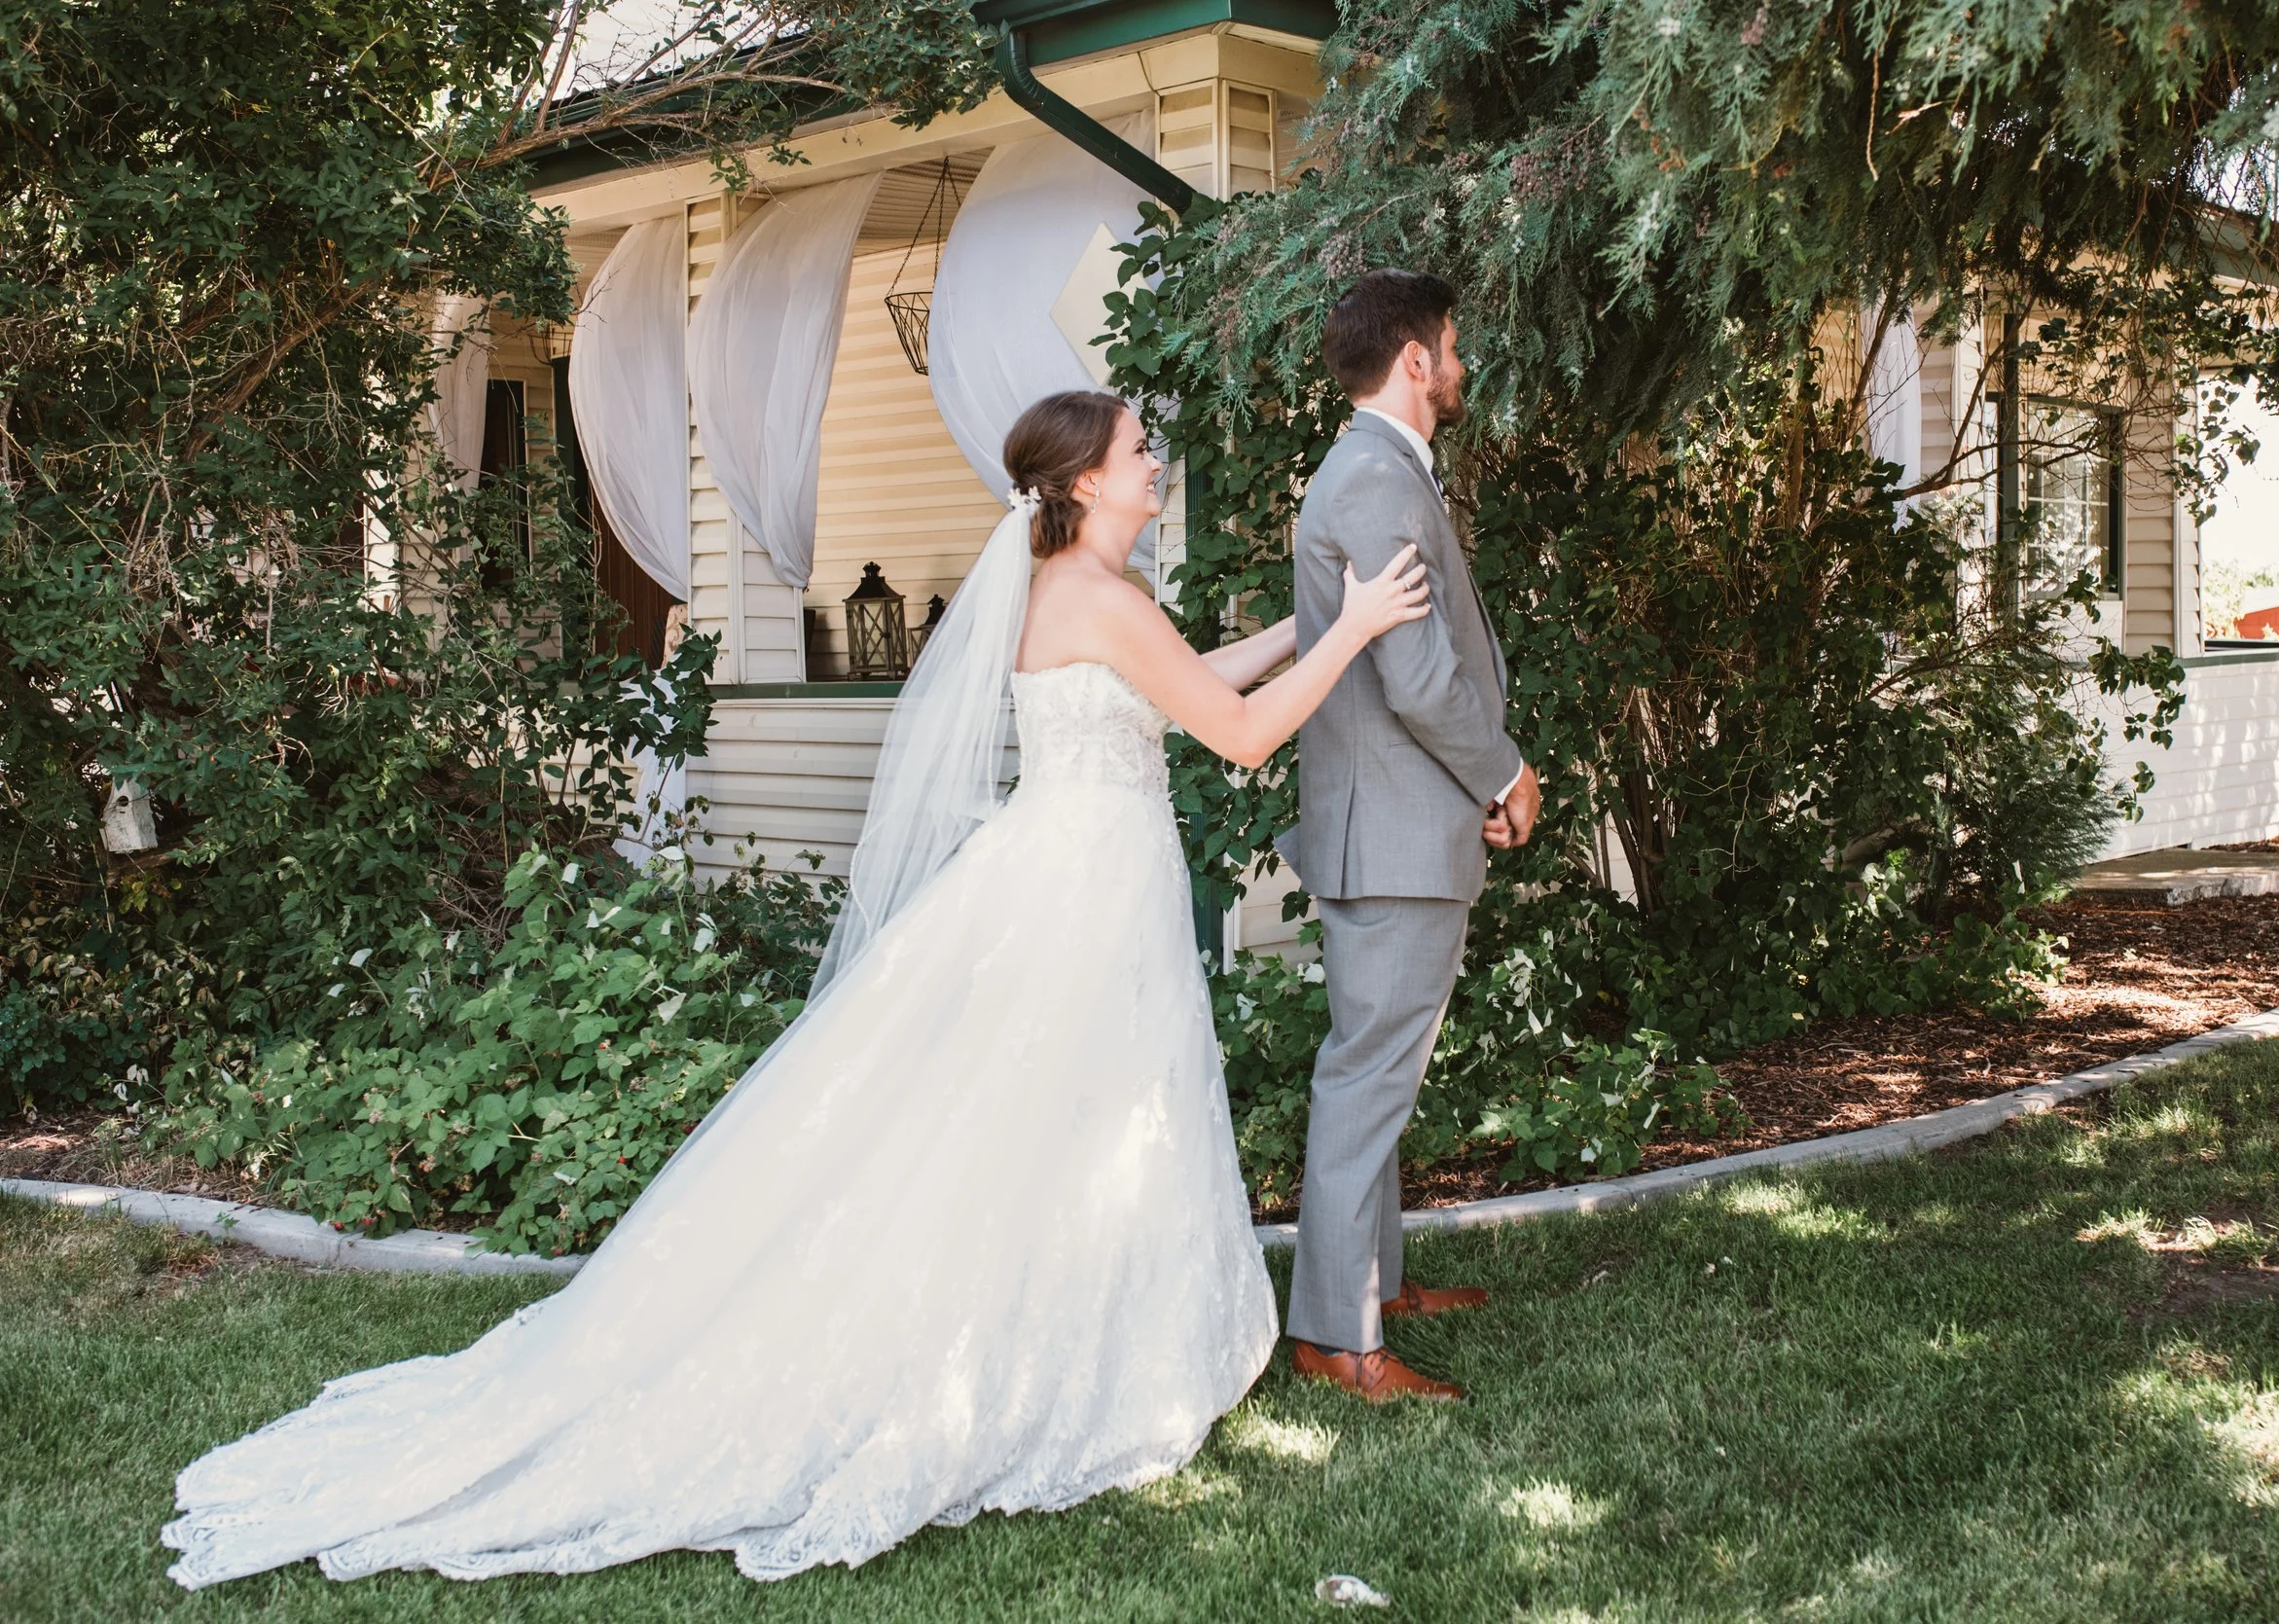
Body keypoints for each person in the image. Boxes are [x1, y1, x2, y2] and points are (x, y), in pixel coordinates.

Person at [159, 388, 1431, 1589]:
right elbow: (1241, 728)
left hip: (1074, 870)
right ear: (1090, 479)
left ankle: (1077, 1325)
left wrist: (1315, 627)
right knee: (1061, 1106)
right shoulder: (1095, 589)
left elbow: (1182, 673)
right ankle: (1032, 1356)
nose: (1158, 459)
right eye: (1141, 447)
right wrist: (1364, 630)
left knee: (1055, 1116)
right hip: (1089, 890)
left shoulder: (1083, 582)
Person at [1278, 269, 1538, 1403]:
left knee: (1380, 1072)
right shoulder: (1375, 480)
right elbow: (1419, 676)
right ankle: (1338, 1336)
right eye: (1453, 343)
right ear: (1416, 360)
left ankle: (1368, 1285)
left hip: (1393, 825)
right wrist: (1508, 769)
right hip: (1389, 832)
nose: (1462, 362)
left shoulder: (1375, 471)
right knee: (1366, 1080)